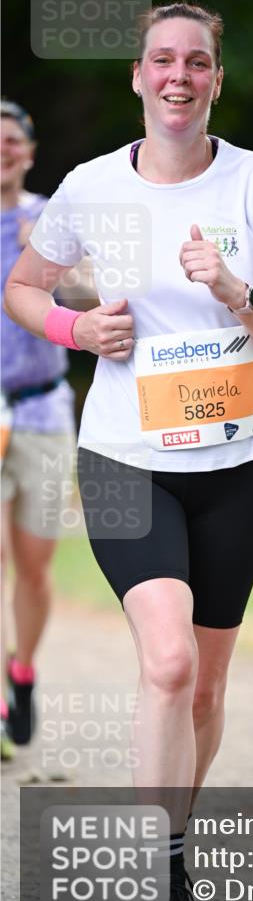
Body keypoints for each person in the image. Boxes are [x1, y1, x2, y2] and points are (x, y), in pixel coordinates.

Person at [4, 2, 253, 901]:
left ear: (217, 79)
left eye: (198, 62)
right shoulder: (90, 188)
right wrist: (74, 328)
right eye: (162, 60)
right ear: (137, 76)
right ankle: (159, 880)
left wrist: (236, 294)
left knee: (205, 688)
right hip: (124, 456)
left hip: (232, 463)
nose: (179, 75)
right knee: (166, 660)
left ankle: (175, 846)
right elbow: (22, 286)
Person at [1, 100, 78, 759]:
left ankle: (21, 670)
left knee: (33, 565)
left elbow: (94, 294)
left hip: (41, 411)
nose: (2, 149)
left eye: (11, 141)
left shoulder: (53, 217)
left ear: (28, 150)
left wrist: (50, 258)